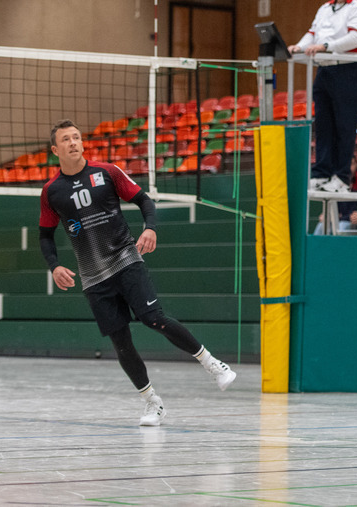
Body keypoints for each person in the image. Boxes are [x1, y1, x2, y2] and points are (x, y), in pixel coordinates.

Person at [38, 120, 236, 427]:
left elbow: (145, 201)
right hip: (93, 277)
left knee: (153, 318)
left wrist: (150, 229)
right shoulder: (52, 191)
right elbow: (45, 235)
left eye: (77, 137)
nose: (74, 142)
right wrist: (55, 265)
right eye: (66, 139)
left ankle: (212, 364)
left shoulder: (107, 172)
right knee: (121, 341)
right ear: (55, 150)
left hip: (126, 259)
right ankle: (152, 403)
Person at [289, 0, 357, 193]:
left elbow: (356, 38)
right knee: (324, 125)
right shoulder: (324, 9)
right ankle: (321, 172)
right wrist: (298, 47)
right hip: (325, 70)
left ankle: (341, 176)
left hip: (349, 69)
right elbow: (312, 33)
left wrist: (325, 46)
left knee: (345, 126)